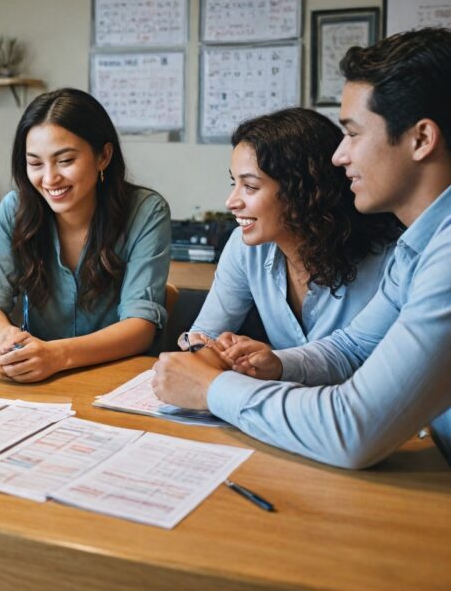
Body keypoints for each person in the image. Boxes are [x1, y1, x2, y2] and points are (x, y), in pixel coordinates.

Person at [153, 27, 451, 469]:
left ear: (421, 139)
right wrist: (276, 364)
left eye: (352, 134)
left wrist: (211, 390)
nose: (339, 156)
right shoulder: (421, 244)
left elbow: (353, 429)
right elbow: (351, 348)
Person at [0, 88, 171, 383]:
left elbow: (140, 328)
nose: (49, 179)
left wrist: (58, 355)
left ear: (103, 156)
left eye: (65, 160)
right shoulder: (15, 208)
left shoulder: (146, 212)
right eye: (35, 164)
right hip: (38, 378)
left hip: (113, 377)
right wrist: (7, 339)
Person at [181, 108, 399, 352]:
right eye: (235, 183)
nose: (231, 201)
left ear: (303, 191)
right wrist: (203, 348)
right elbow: (203, 337)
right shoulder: (244, 247)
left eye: (250, 186)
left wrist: (271, 360)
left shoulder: (390, 258)